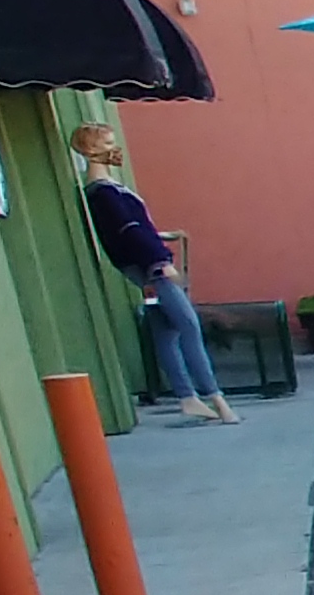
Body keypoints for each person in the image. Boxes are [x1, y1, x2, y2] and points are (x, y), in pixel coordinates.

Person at [70, 123, 233, 423]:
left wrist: (162, 237)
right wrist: (159, 260)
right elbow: (129, 230)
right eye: (107, 142)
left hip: (145, 263)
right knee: (188, 326)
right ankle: (216, 398)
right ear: (91, 150)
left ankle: (188, 396)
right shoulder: (104, 192)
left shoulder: (103, 189)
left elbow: (134, 229)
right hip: (151, 266)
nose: (114, 147)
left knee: (167, 331)